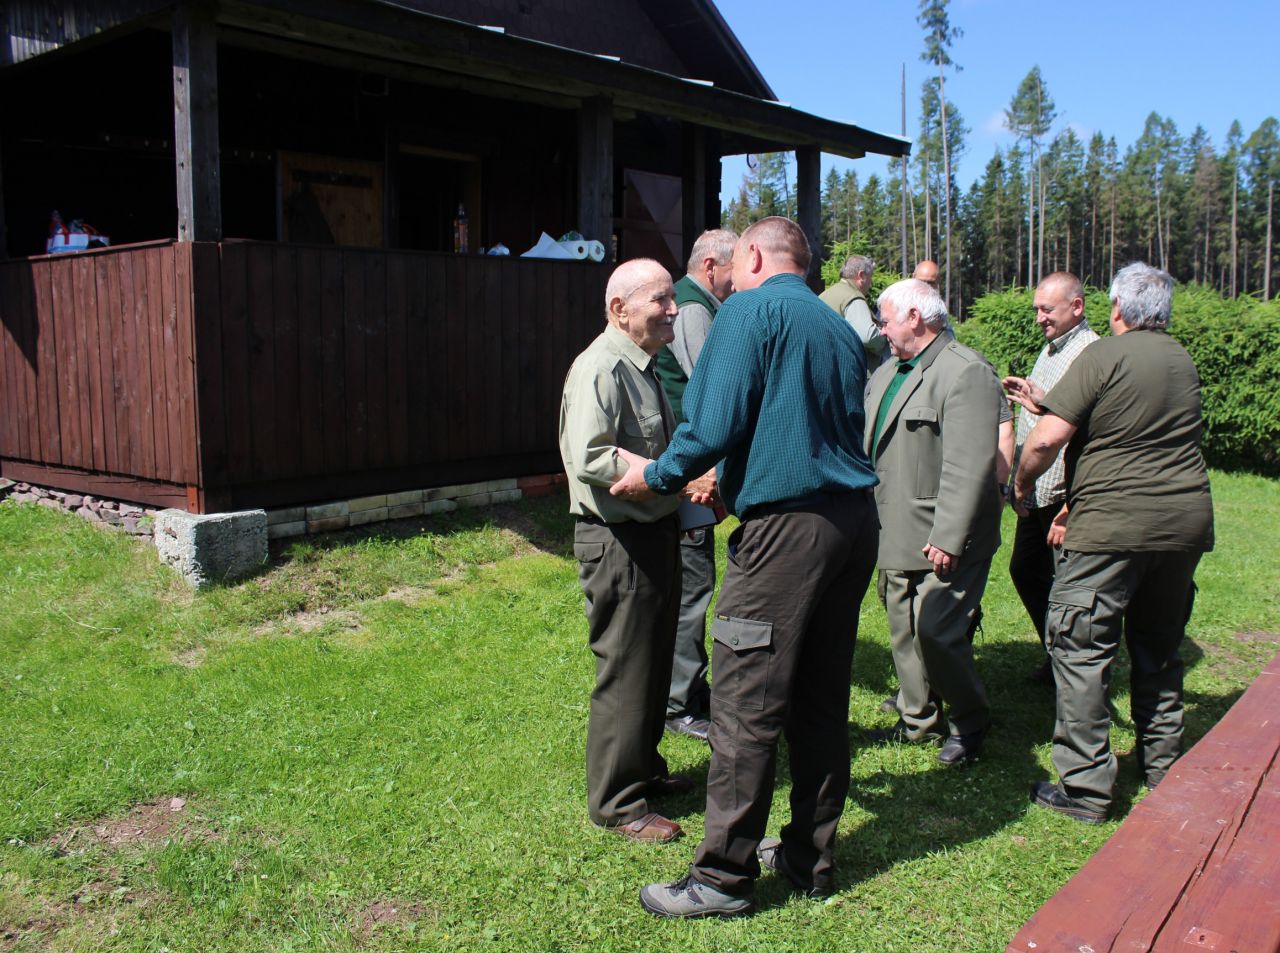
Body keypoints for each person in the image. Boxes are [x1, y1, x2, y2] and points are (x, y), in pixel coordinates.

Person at [610, 217, 879, 918]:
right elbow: (803, 425)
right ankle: (808, 855)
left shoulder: (748, 311)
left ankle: (722, 877)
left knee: (743, 701)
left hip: (786, 536)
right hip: (853, 524)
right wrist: (735, 482)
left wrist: (657, 476)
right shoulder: (837, 326)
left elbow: (712, 422)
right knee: (821, 698)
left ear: (752, 254)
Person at [1011, 262, 1214, 824]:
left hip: (1112, 525)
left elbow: (1047, 439)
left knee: (1081, 649)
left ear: (1118, 307)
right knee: (1159, 647)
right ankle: (1163, 766)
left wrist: (1021, 484)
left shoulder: (1103, 354)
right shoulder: (1182, 358)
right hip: (1183, 525)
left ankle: (1086, 789)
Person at [557, 258, 709, 844]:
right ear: (620, 309)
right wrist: (676, 480)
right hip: (619, 541)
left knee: (654, 661)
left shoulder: (643, 364)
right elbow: (591, 457)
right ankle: (618, 804)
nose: (674, 309)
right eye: (661, 300)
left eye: (673, 298)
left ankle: (643, 768)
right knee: (627, 670)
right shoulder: (600, 367)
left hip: (652, 533)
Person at [865, 278, 1005, 765]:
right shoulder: (888, 372)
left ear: (914, 318)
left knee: (937, 631)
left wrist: (949, 536)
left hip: (942, 533)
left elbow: (969, 465)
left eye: (885, 320)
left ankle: (970, 719)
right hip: (893, 524)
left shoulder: (965, 372)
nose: (880, 330)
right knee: (902, 626)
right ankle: (919, 715)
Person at [654, 228, 737, 743]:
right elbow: (711, 397)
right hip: (688, 470)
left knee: (695, 579)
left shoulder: (693, 305)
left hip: (689, 465)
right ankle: (679, 701)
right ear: (711, 266)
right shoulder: (692, 308)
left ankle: (689, 687)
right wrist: (712, 471)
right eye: (733, 270)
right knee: (692, 583)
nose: (738, 281)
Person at [1001, 273, 1100, 684]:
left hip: (1062, 495)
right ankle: (1057, 654)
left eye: (1047, 309)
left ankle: (1074, 671)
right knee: (1026, 570)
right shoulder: (1053, 346)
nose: (1040, 317)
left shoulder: (1089, 352)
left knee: (1069, 590)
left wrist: (1072, 505)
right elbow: (1060, 412)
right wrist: (1036, 402)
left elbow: (1089, 431)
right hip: (1038, 490)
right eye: (1037, 309)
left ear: (1076, 306)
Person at [820, 254, 888, 368]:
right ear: (861, 276)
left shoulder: (825, 294)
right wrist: (886, 339)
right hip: (848, 369)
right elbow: (868, 337)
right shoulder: (853, 297)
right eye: (870, 277)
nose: (871, 283)